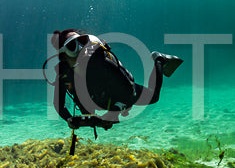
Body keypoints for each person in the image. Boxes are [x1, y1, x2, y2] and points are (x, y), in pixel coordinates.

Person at [47, 29, 182, 151]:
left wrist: (115, 113)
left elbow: (129, 91)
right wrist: (68, 119)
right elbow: (58, 104)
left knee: (153, 97)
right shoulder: (63, 75)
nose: (82, 48)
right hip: (101, 100)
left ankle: (158, 59)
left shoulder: (101, 61)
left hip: (123, 92)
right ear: (63, 55)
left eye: (82, 41)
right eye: (72, 46)